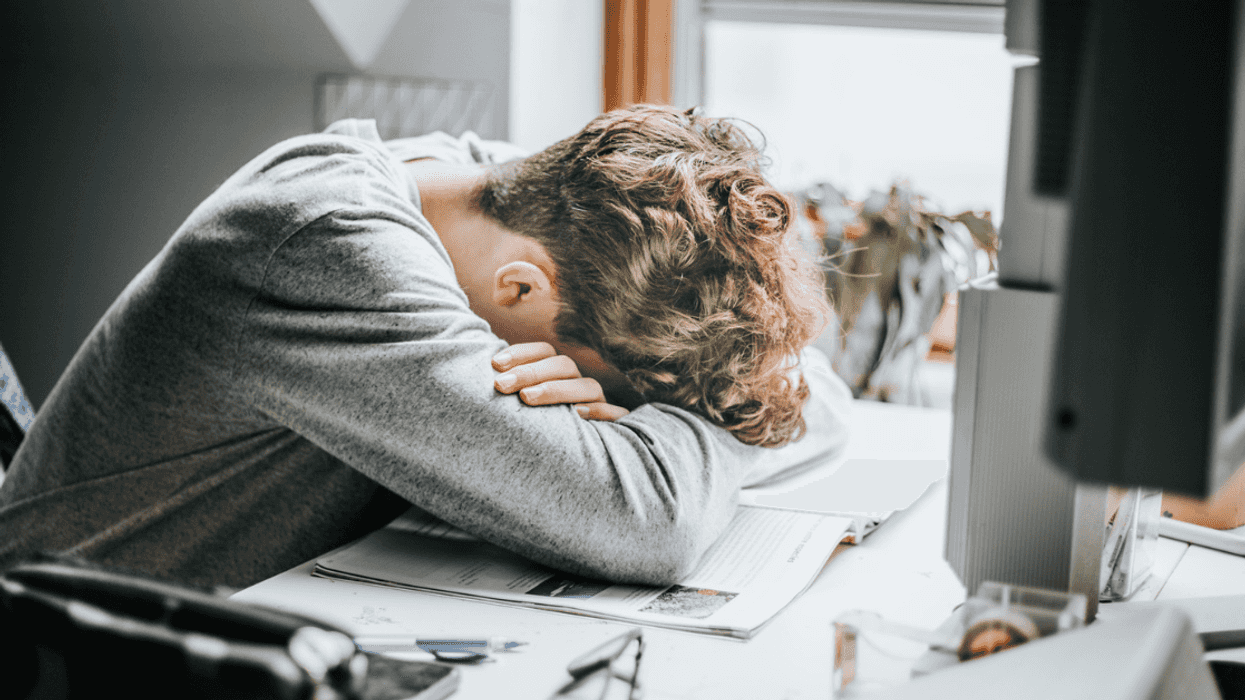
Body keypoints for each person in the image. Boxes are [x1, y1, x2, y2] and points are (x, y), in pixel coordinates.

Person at [0, 105, 851, 589]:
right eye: (617, 388)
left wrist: (713, 392)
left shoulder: (507, 197)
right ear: (522, 292)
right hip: (72, 650)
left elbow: (817, 396)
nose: (623, 410)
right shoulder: (326, 247)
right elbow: (647, 522)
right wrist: (717, 416)